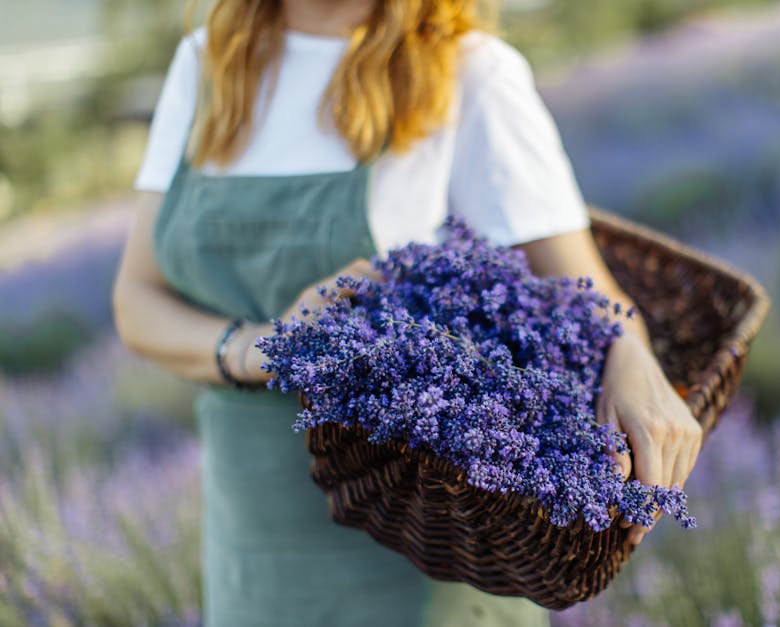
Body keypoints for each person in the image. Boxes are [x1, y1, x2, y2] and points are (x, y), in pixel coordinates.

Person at [111, 0, 703, 625]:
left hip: (424, 562)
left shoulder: (469, 70)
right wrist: (265, 348)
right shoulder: (208, 63)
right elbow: (136, 299)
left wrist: (634, 363)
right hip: (252, 548)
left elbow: (588, 300)